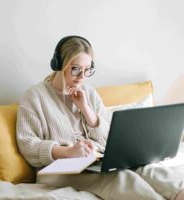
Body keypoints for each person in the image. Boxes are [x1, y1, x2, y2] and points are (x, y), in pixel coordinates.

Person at [16, 35, 184, 200]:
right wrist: (68, 152)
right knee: (123, 179)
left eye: (87, 70)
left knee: (149, 169)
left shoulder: (88, 93)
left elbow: (110, 137)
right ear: (59, 64)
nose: (82, 77)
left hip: (96, 161)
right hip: (56, 170)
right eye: (76, 69)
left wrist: (87, 110)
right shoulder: (34, 96)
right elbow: (28, 144)